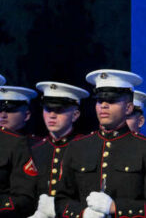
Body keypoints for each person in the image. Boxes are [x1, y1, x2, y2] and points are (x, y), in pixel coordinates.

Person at [54, 69, 146, 218]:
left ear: (128, 108)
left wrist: (116, 208)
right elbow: (61, 200)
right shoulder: (77, 147)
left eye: (112, 100)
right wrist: (82, 213)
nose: (104, 105)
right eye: (99, 100)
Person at [29, 81, 89, 215]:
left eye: (59, 110)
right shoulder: (36, 149)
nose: (52, 115)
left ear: (75, 115)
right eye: (47, 109)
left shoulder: (86, 148)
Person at [0, 74, 37, 216]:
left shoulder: (19, 143)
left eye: (10, 110)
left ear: (26, 115)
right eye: (0, 109)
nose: (3, 115)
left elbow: (23, 197)